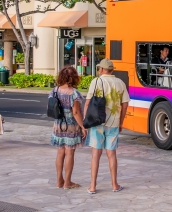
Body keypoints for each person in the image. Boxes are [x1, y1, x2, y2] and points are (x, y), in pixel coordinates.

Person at [85, 59, 130, 194]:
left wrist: (85, 122)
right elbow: (125, 105)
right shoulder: (120, 83)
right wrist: (121, 122)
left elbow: (88, 103)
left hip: (97, 122)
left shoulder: (96, 82)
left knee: (95, 154)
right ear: (112, 69)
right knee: (111, 154)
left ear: (102, 69)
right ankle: (114, 184)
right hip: (113, 123)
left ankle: (92, 186)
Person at [51, 66, 86, 187]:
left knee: (60, 152)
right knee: (70, 153)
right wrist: (83, 126)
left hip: (58, 124)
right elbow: (76, 113)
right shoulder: (74, 93)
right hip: (71, 125)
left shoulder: (55, 90)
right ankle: (67, 182)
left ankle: (59, 180)